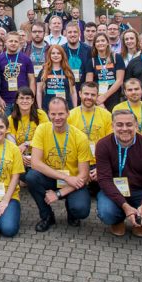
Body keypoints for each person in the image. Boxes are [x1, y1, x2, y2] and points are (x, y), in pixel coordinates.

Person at [94, 110, 142, 238]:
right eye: (119, 125)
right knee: (107, 213)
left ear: (136, 125)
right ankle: (118, 220)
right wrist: (125, 206)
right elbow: (105, 180)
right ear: (112, 126)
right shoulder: (103, 145)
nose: (124, 129)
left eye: (129, 124)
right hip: (114, 189)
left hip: (140, 190)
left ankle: (139, 220)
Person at [27, 98, 93, 231]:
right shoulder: (42, 129)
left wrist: (58, 194)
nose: (57, 118)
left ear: (68, 113)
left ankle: (72, 210)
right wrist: (65, 178)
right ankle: (47, 216)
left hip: (74, 181)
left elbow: (84, 175)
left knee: (81, 210)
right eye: (53, 114)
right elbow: (35, 163)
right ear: (49, 114)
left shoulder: (80, 137)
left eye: (61, 114)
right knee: (31, 177)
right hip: (54, 178)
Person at [0, 32, 35, 114]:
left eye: (16, 41)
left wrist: (31, 98)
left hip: (22, 101)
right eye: (11, 41)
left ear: (20, 43)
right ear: (5, 42)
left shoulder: (26, 59)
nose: (13, 43)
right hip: (4, 101)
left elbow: (32, 80)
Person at [7, 88, 47, 171]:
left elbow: (46, 138)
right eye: (21, 98)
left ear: (32, 101)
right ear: (17, 101)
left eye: (28, 98)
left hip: (39, 156)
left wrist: (26, 144)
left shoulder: (40, 115)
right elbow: (12, 145)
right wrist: (19, 156)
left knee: (31, 177)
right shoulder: (11, 119)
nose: (24, 101)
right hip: (20, 158)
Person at [86, 34, 126, 110]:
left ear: (107, 43)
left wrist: (105, 96)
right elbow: (89, 84)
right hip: (98, 98)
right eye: (97, 41)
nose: (100, 43)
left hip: (114, 96)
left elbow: (120, 80)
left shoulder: (116, 57)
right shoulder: (92, 61)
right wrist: (99, 100)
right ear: (94, 44)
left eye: (103, 40)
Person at [38, 45, 78, 110]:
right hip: (48, 107)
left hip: (66, 107)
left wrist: (75, 109)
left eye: (58, 53)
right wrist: (40, 108)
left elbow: (73, 93)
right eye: (53, 53)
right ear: (49, 55)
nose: (55, 55)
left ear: (62, 55)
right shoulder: (43, 71)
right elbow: (39, 92)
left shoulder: (68, 72)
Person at [62, 22, 91, 88]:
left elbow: (90, 72)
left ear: (80, 34)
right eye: (69, 32)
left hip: (83, 88)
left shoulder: (88, 50)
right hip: (65, 88)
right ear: (65, 34)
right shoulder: (61, 50)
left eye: (75, 32)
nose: (72, 34)